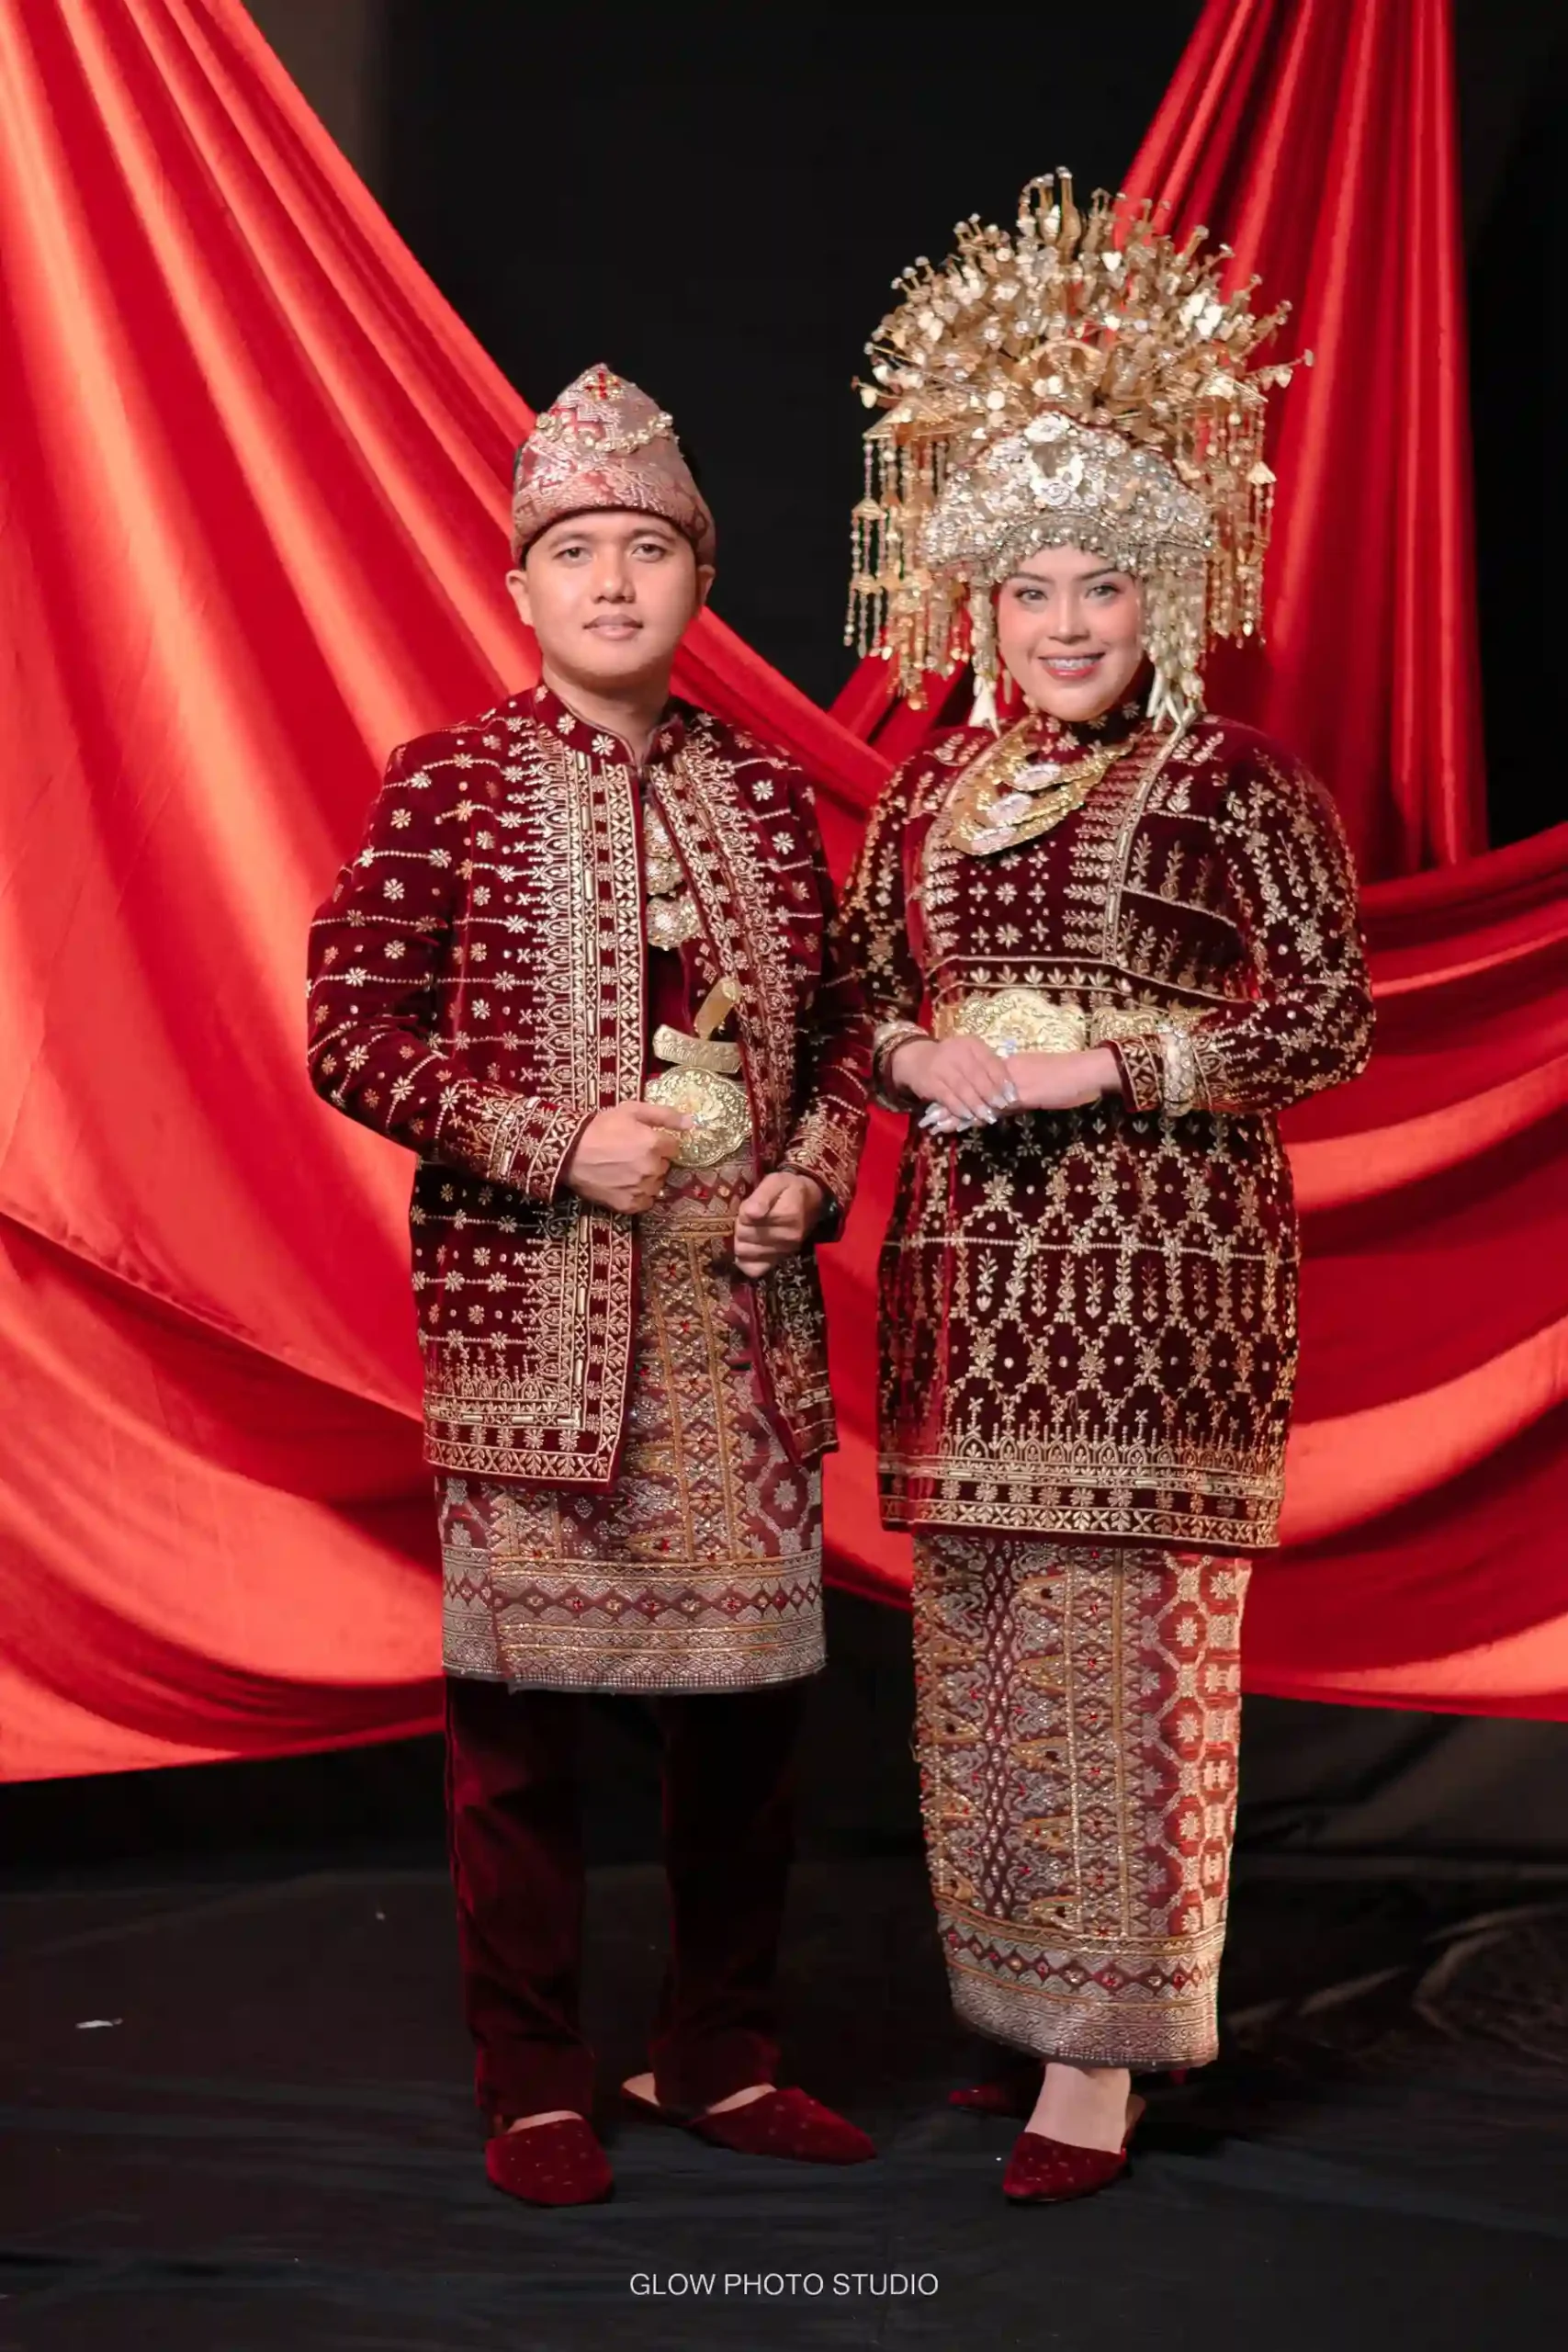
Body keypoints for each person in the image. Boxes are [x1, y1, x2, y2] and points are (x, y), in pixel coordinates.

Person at [839, 175, 1374, 2204]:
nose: (1064, 625)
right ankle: (1029, 2008)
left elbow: (1326, 1016)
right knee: (984, 1657)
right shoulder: (923, 789)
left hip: (1160, 1285)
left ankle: (1109, 2058)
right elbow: (862, 994)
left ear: (1165, 598)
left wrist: (1106, 1062)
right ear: (976, 606)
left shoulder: (1233, 782)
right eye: (1029, 590)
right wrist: (911, 1059)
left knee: (1128, 1659)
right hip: (967, 1284)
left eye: (1104, 589)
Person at [307, 364, 874, 2205]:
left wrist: (808, 1175)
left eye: (646, 548)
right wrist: (553, 1142)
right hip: (535, 1328)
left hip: (738, 1338)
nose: (612, 581)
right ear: (519, 587)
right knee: (519, 1734)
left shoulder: (767, 794)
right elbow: (348, 1033)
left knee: (747, 1732)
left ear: (699, 578)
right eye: (575, 551)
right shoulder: (450, 782)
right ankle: (533, 2073)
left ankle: (720, 2049)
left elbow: (842, 1034)